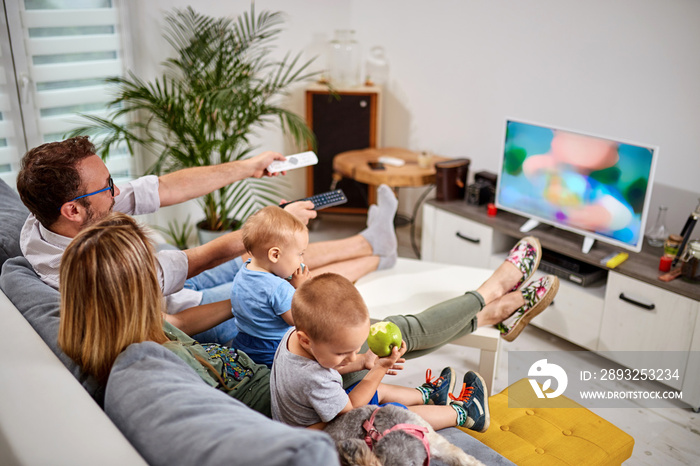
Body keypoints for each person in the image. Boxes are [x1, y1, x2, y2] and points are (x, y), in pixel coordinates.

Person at [57, 213, 557, 421]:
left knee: (383, 331)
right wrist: (320, 355)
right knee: (394, 332)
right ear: (127, 292)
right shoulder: (146, 364)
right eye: (151, 270)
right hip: (289, 386)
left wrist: (242, 298)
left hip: (281, 363)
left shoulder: (128, 331)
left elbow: (181, 325)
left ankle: (495, 306)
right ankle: (496, 297)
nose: (162, 276)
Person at [16, 136, 399, 344]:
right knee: (281, 273)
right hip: (187, 310)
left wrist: (247, 168)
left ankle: (371, 241)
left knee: (273, 257)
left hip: (172, 286)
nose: (117, 192)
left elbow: (163, 187)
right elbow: (195, 264)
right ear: (73, 210)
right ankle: (378, 257)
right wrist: (265, 236)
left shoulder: (46, 222)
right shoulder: (96, 270)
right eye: (108, 187)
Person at [270, 272, 491, 433]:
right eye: (343, 353)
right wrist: (379, 368)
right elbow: (352, 410)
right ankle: (465, 414)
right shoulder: (314, 378)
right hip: (326, 437)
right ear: (306, 340)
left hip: (312, 419)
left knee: (370, 387)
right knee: (390, 414)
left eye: (356, 349)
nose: (350, 357)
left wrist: (364, 361)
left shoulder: (294, 335)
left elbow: (336, 367)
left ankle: (428, 396)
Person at [229, 206, 311, 366]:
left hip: (243, 343)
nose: (302, 260)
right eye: (299, 254)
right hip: (272, 351)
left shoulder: (244, 270)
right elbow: (297, 321)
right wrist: (301, 289)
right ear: (275, 255)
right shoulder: (279, 288)